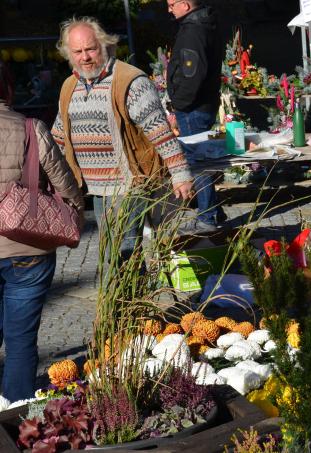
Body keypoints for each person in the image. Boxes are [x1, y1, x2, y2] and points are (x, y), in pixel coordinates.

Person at [51, 17, 194, 261]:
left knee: (124, 252)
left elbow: (160, 132)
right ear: (68, 54)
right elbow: (59, 135)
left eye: (90, 49)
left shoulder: (131, 81)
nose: (85, 57)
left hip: (130, 184)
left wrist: (181, 174)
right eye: (78, 52)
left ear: (104, 45)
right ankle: (132, 286)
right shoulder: (70, 86)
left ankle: (131, 287)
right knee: (112, 251)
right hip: (95, 188)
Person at [0, 62, 83, 402]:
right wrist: (75, 215)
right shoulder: (32, 129)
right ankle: (15, 409)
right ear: (8, 88)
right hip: (28, 249)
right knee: (20, 340)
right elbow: (65, 184)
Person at [167, 0, 225, 233]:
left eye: (171, 4)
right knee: (203, 160)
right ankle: (214, 211)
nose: (169, 9)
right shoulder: (204, 24)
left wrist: (180, 102)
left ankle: (207, 218)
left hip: (193, 107)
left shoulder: (193, 31)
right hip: (202, 103)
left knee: (198, 162)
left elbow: (193, 73)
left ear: (185, 4)